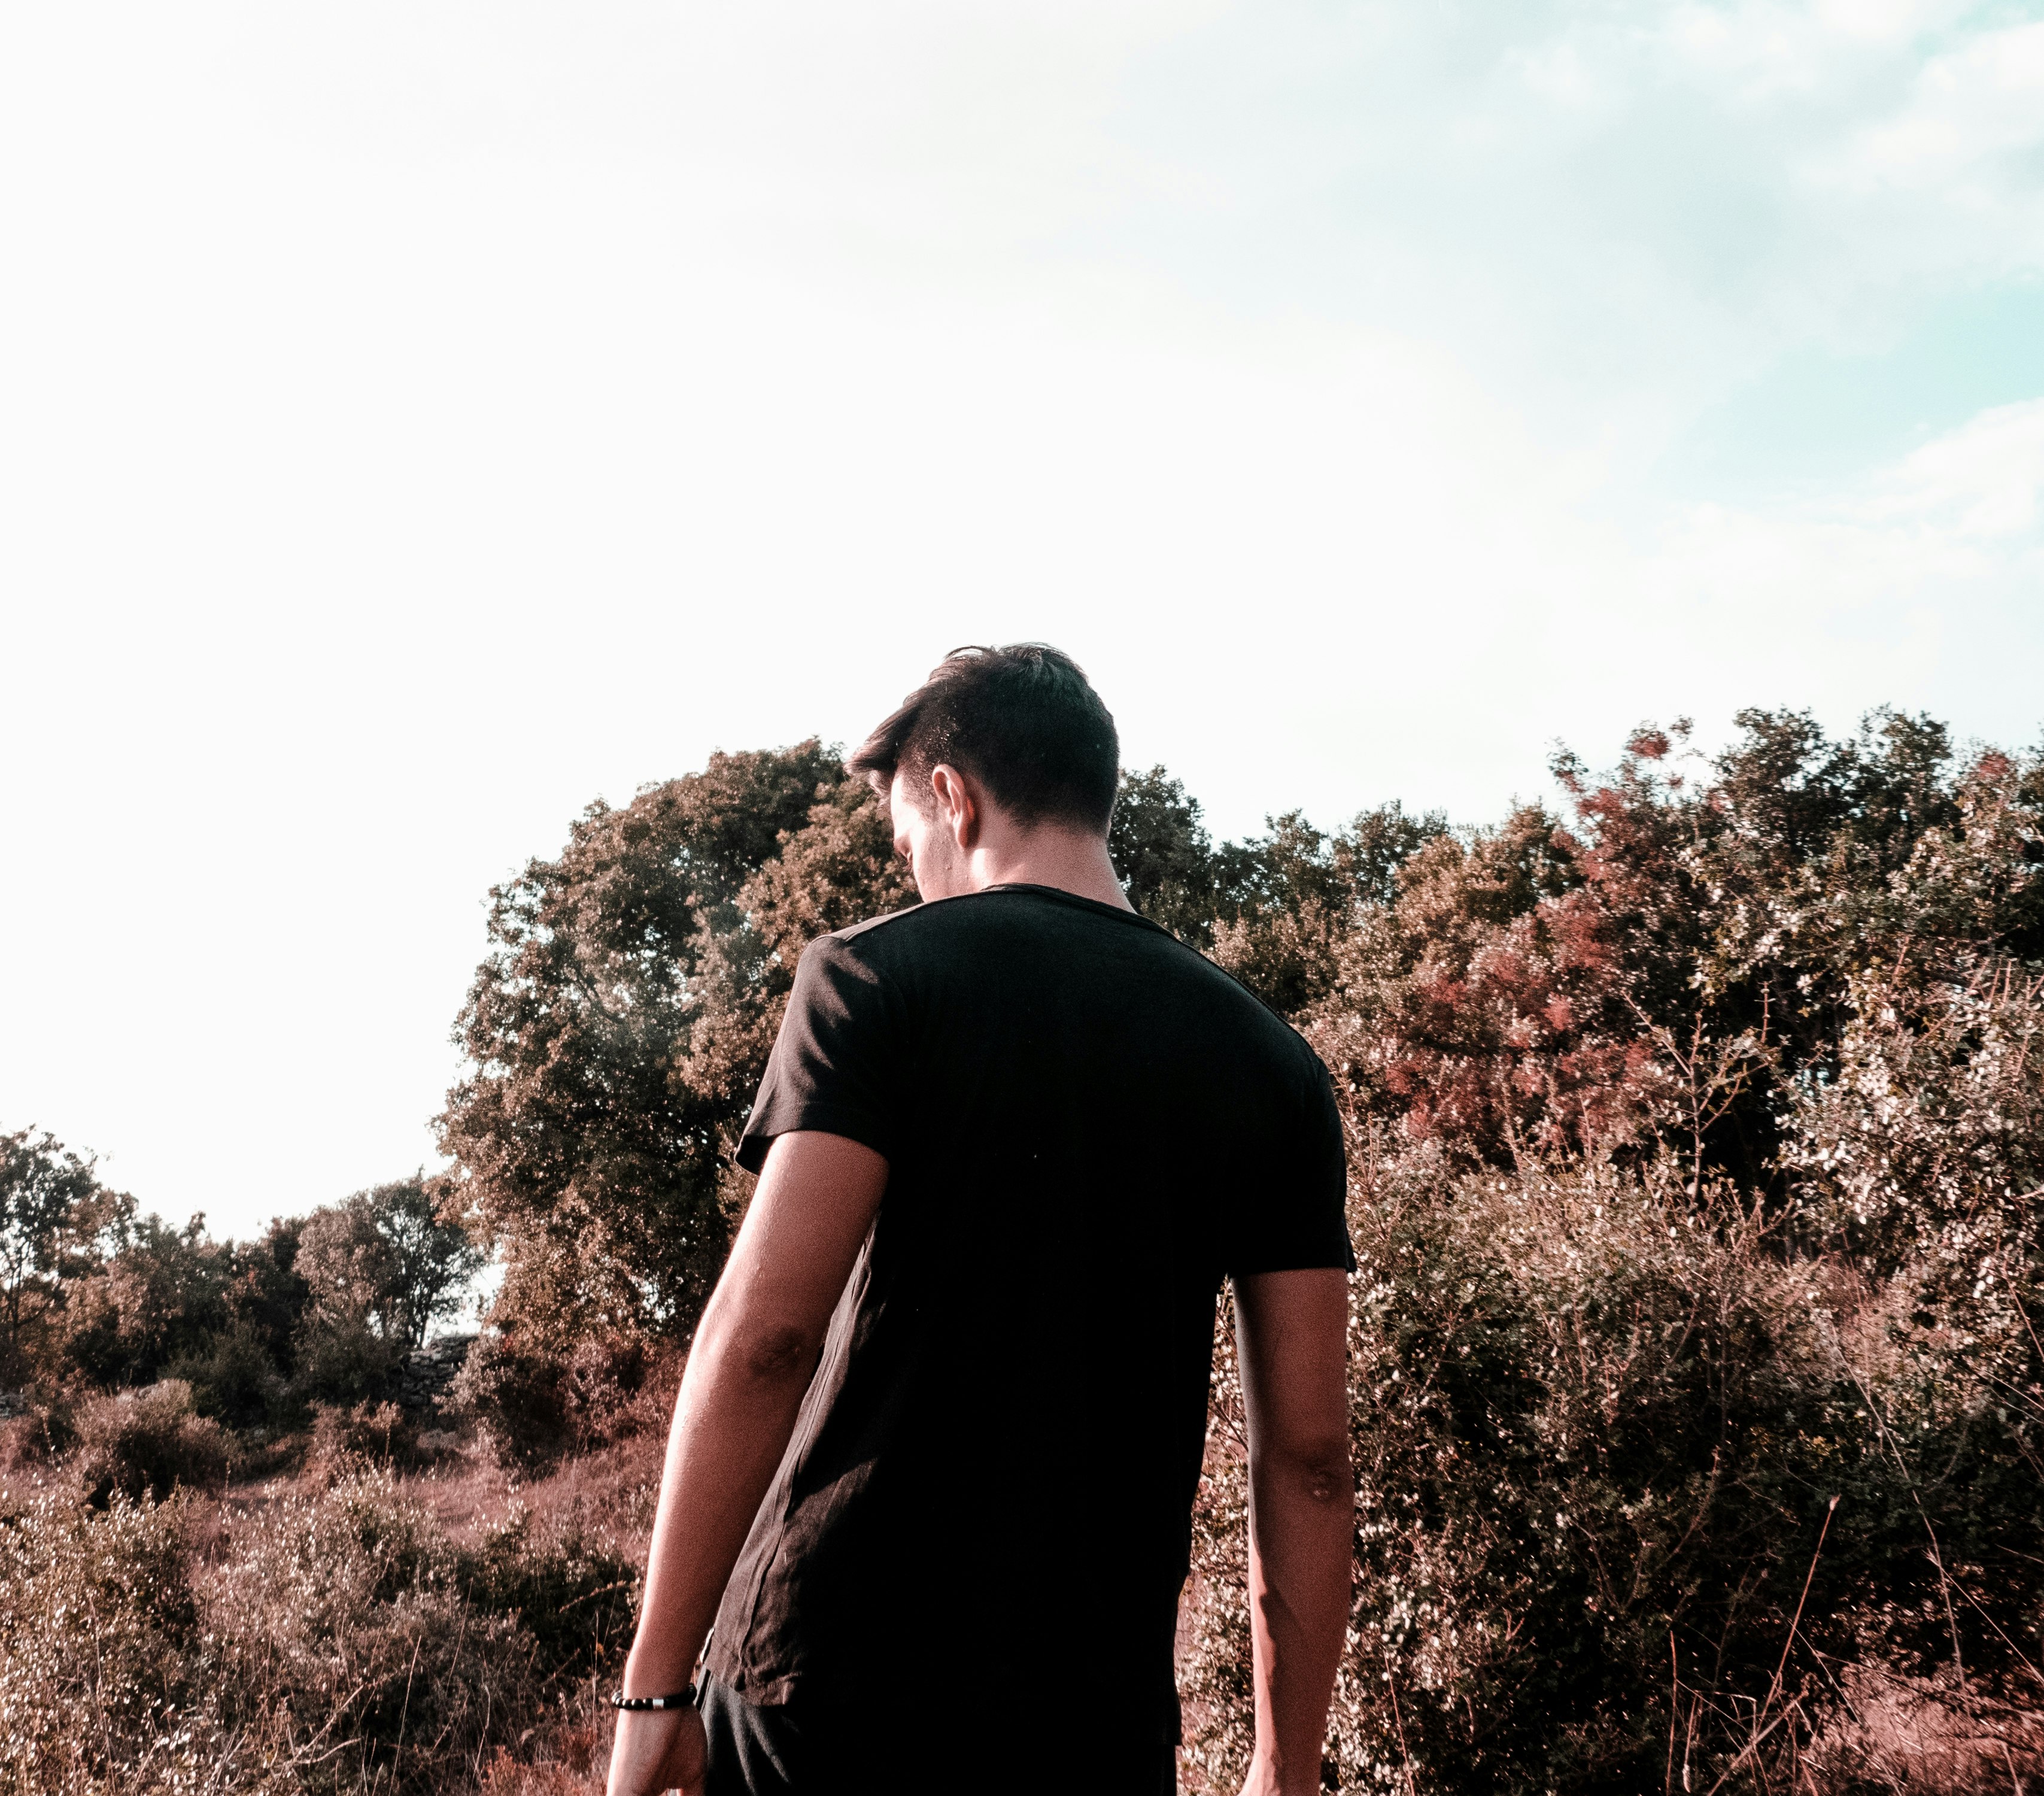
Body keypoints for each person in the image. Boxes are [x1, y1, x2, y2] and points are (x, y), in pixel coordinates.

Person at [606, 645, 1353, 1796]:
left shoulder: (872, 980)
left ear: (953, 797)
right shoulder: (1276, 1068)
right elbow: (1305, 1462)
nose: (911, 875)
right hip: (1092, 1731)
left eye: (906, 838)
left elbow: (765, 1342)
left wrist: (656, 1689)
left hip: (828, 1689)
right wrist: (1284, 1768)